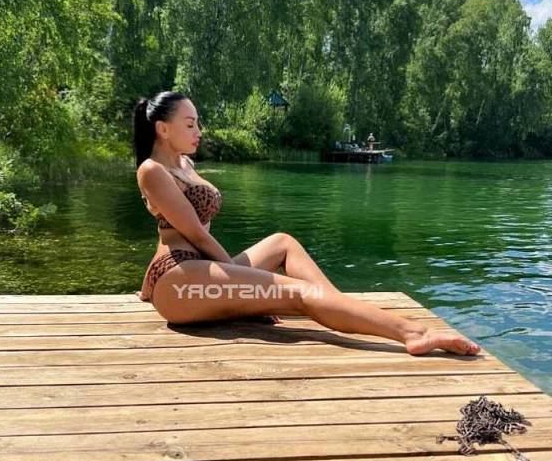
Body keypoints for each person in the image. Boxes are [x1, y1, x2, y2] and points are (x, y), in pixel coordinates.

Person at [134, 90, 480, 356]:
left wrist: (242, 282)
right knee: (300, 294)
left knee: (283, 242)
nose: (199, 131)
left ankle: (336, 305)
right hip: (180, 285)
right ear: (162, 128)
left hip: (201, 275)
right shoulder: (152, 170)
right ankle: (415, 333)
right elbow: (194, 234)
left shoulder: (185, 164)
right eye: (190, 124)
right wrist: (243, 279)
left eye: (198, 123)